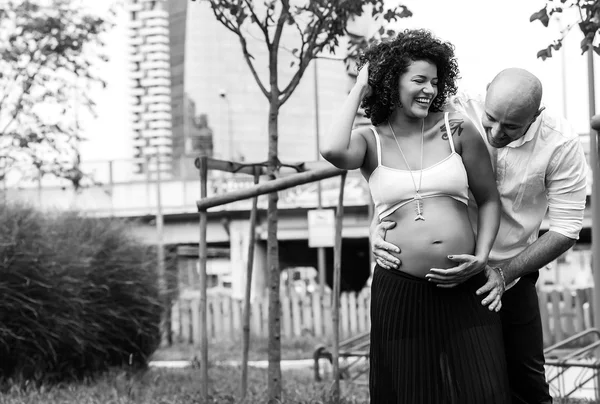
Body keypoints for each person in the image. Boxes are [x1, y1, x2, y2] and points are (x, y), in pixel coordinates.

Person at [372, 67, 589, 404]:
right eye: (491, 118)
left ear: (537, 115)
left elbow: (565, 228)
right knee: (429, 383)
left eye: (512, 126)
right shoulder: (452, 112)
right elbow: (400, 169)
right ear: (485, 93)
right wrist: (377, 224)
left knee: (525, 385)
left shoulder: (561, 143)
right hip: (437, 280)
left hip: (509, 274)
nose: (497, 132)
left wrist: (503, 275)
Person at [320, 29, 510, 404]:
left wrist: (483, 258)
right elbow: (331, 149)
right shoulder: (369, 140)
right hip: (400, 289)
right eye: (419, 80)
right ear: (392, 82)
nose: (429, 89)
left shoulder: (456, 129)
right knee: (412, 392)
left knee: (486, 390)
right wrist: (361, 86)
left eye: (435, 82)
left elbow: (489, 200)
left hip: (463, 283)